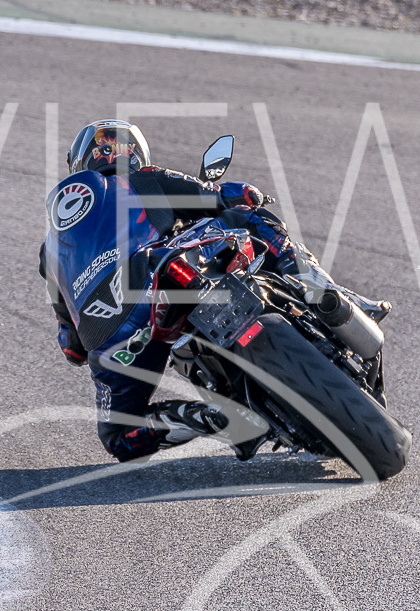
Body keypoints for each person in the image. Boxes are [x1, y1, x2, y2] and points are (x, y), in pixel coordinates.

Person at [40, 119, 388, 463]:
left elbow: (72, 348)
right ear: (135, 154)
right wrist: (247, 194)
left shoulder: (50, 252)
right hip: (163, 273)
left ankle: (210, 418)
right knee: (247, 215)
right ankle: (322, 290)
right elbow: (223, 196)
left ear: (79, 163)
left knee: (119, 437)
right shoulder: (140, 179)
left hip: (113, 337)